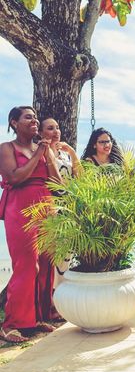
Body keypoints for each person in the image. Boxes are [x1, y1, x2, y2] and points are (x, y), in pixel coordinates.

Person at [0, 106, 62, 343]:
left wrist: (48, 156)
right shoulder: (6, 148)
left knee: (47, 263)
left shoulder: (42, 148)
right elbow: (13, 177)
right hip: (21, 206)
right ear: (14, 122)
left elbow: (56, 181)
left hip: (46, 203)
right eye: (28, 117)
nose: (34, 120)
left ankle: (38, 317)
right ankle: (11, 324)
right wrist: (38, 155)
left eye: (35, 117)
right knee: (27, 264)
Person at [39, 117, 81, 288]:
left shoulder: (65, 154)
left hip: (69, 209)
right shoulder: (40, 154)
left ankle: (64, 297)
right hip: (51, 209)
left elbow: (81, 179)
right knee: (52, 254)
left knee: (67, 255)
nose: (56, 131)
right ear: (41, 133)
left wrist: (72, 152)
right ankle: (51, 301)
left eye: (57, 127)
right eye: (50, 128)